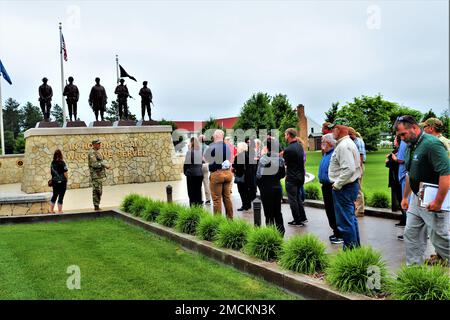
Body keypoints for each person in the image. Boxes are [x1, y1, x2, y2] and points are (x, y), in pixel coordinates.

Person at [395, 115, 449, 266]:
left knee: (440, 239)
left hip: (434, 198)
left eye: (403, 134)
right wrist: (405, 197)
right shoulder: (410, 146)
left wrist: (438, 201)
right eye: (399, 136)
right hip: (417, 197)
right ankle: (414, 272)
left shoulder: (431, 144)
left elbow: (446, 174)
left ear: (414, 127)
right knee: (411, 233)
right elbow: (410, 174)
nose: (402, 138)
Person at [328, 119, 362, 250]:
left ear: (339, 129)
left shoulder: (343, 145)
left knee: (345, 222)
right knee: (350, 219)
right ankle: (355, 250)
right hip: (349, 186)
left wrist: (337, 184)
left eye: (333, 129)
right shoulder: (347, 143)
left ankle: (350, 252)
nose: (332, 132)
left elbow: (349, 169)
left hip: (344, 187)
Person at [256, 137, 286, 235]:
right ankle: (281, 232)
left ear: (267, 147)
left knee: (268, 213)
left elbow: (258, 176)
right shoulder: (280, 159)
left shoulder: (263, 159)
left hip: (266, 189)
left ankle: (270, 234)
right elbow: (282, 174)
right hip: (277, 187)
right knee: (278, 211)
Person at [318, 134, 343, 244]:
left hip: (332, 186)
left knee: (334, 210)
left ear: (330, 143)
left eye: (324, 141)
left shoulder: (334, 154)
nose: (322, 143)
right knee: (329, 210)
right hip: (325, 186)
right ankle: (335, 231)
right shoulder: (326, 154)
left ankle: (339, 233)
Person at [204, 130, 233, 218]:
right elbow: (229, 159)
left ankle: (217, 222)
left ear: (216, 136)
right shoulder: (227, 147)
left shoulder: (212, 146)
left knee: (216, 199)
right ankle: (230, 220)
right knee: (227, 198)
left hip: (217, 174)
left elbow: (206, 158)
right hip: (227, 173)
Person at [283, 128, 307, 226]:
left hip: (292, 177)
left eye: (285, 134)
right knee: (298, 198)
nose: (285, 136)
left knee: (293, 200)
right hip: (300, 176)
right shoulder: (300, 146)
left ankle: (297, 220)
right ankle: (302, 217)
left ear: (289, 135)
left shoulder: (288, 149)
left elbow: (286, 164)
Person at [88, 139, 111, 210]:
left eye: (99, 144)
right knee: (97, 190)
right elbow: (94, 164)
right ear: (94, 145)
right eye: (98, 144)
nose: (99, 145)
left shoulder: (97, 152)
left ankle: (97, 205)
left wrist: (105, 163)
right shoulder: (91, 153)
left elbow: (101, 161)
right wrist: (104, 165)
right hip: (95, 175)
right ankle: (96, 206)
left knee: (99, 191)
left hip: (99, 175)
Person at [348, 127, 366, 217]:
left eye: (349, 135)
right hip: (354, 166)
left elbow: (361, 156)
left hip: (358, 166)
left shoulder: (358, 142)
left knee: (358, 189)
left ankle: (360, 210)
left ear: (352, 134)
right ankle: (356, 208)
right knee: (354, 188)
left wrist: (358, 169)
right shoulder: (353, 141)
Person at [184, 137, 204, 207]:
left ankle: (193, 208)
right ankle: (199, 206)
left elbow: (186, 164)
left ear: (192, 143)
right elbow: (202, 162)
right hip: (200, 174)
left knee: (191, 193)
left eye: (190, 142)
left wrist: (185, 172)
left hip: (191, 174)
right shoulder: (200, 151)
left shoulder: (189, 152)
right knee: (198, 191)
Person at [233, 142, 252, 211]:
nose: (236, 148)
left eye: (237, 147)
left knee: (241, 191)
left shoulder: (239, 156)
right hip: (248, 175)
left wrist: (233, 166)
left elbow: (237, 167)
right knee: (247, 191)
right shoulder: (248, 155)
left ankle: (244, 205)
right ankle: (248, 205)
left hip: (241, 176)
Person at [49, 149, 68, 214]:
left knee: (54, 195)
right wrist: (66, 180)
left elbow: (51, 173)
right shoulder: (62, 163)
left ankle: (51, 210)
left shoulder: (52, 163)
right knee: (61, 196)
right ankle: (60, 211)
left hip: (55, 182)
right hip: (62, 182)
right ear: (61, 155)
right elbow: (65, 173)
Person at [198, 135, 211, 205]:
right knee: (206, 182)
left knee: (198, 183)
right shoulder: (208, 147)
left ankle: (200, 199)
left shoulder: (196, 147)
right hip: (205, 165)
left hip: (198, 166)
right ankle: (208, 199)